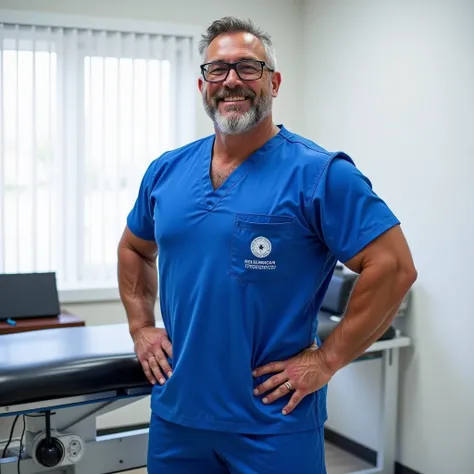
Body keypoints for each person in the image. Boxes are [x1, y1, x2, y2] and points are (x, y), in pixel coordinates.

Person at [117, 16, 417, 474]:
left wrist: (328, 358)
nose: (231, 80)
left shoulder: (319, 173)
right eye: (217, 70)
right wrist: (141, 328)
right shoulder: (166, 171)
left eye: (248, 68)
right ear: (203, 84)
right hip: (178, 418)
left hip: (272, 422)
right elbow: (135, 249)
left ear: (273, 83)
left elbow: (393, 266)